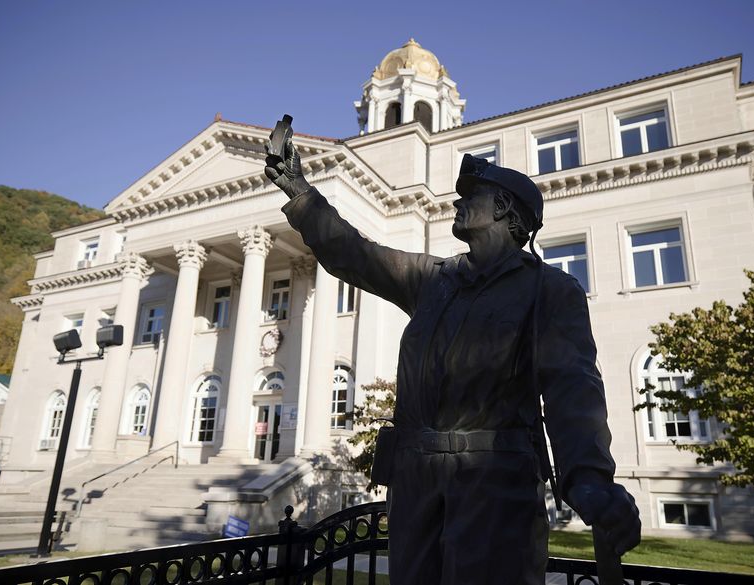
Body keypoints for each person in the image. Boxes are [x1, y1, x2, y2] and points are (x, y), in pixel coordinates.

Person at [266, 129, 640, 585]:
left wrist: (588, 476)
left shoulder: (549, 290)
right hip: (416, 485)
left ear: (503, 208)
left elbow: (573, 387)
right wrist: (301, 194)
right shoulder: (432, 279)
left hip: (495, 487)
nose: (458, 203)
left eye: (472, 196)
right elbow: (354, 253)